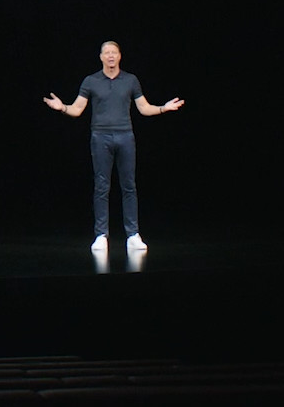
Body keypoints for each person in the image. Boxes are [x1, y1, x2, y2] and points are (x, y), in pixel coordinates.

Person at [43, 41, 183, 253]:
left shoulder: (130, 80)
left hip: (125, 135)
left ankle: (133, 235)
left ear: (119, 56)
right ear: (101, 57)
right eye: (106, 53)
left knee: (129, 185)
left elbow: (144, 108)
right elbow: (77, 109)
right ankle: (101, 235)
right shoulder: (91, 81)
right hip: (100, 136)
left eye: (114, 53)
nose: (110, 56)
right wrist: (62, 107)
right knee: (101, 186)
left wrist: (164, 108)